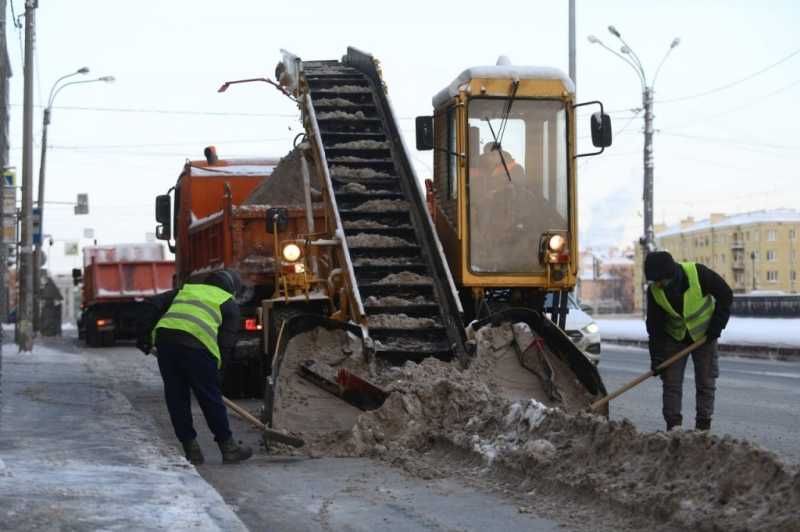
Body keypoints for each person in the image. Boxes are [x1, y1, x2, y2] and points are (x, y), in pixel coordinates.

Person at [142, 269, 252, 465]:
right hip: (197, 348)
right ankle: (229, 448)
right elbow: (226, 344)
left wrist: (143, 337)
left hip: (167, 344)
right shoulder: (228, 302)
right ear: (231, 288)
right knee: (210, 398)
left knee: (176, 397)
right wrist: (219, 374)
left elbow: (150, 304)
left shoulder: (185, 290)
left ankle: (191, 450)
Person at [644, 251, 733, 432]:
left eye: (659, 280)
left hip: (705, 337)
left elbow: (726, 295)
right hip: (674, 338)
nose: (658, 285)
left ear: (670, 274)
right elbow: (655, 327)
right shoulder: (655, 291)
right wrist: (657, 358)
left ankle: (703, 427)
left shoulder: (698, 274)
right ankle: (673, 428)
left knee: (706, 382)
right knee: (671, 383)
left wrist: (717, 326)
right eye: (654, 281)